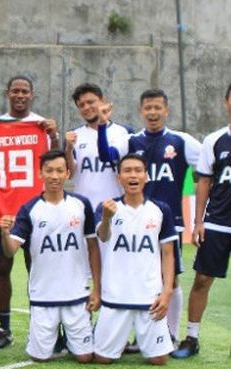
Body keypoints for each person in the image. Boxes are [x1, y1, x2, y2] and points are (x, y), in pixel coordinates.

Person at [97, 88, 201, 345]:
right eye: (148, 108)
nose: (153, 113)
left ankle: (171, 334)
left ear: (166, 110)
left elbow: (207, 166)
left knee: (170, 277)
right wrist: (101, 126)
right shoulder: (132, 141)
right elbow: (106, 156)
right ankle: (139, 335)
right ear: (141, 111)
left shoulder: (181, 141)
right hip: (135, 218)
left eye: (158, 108)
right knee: (138, 273)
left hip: (170, 220)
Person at [0, 75, 58, 349]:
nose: (20, 95)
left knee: (38, 269)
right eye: (15, 91)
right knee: (2, 268)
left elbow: (57, 161)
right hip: (4, 211)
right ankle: (4, 328)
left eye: (24, 91)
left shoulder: (42, 126)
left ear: (32, 94)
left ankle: (41, 326)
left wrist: (54, 135)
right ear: (7, 93)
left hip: (36, 211)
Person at [0, 150, 100, 362]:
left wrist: (96, 289)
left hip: (76, 293)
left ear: (67, 173)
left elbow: (93, 247)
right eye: (49, 171)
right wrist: (4, 233)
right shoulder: (29, 209)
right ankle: (43, 338)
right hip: (43, 295)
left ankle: (87, 334)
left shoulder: (81, 205)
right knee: (40, 358)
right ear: (40, 174)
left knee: (85, 357)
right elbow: (11, 250)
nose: (54, 176)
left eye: (59, 171)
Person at [93, 154, 176, 365]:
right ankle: (116, 339)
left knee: (159, 360)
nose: (133, 175)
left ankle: (141, 340)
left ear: (146, 177)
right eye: (127, 170)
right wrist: (106, 218)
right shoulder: (106, 208)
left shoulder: (161, 210)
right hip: (115, 296)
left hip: (149, 298)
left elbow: (168, 254)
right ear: (119, 177)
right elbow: (103, 236)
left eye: (138, 170)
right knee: (102, 359)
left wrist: (166, 293)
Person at [172, 83, 231, 358]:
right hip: (218, 222)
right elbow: (204, 181)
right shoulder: (214, 140)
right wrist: (198, 222)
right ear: (226, 102)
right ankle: (191, 338)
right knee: (203, 279)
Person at [65, 83, 133, 209]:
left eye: (91, 102)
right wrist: (68, 149)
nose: (86, 107)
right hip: (84, 207)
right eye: (81, 105)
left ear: (103, 101)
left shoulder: (124, 131)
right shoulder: (74, 135)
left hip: (117, 206)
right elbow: (71, 173)